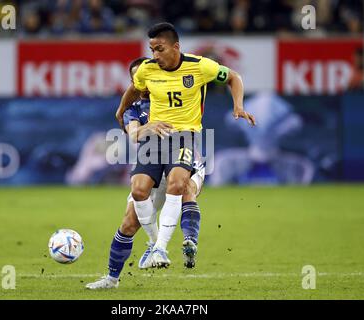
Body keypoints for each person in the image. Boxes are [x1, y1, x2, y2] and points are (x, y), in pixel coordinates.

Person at [115, 22, 255, 269]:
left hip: (186, 136)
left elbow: (234, 77)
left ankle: (166, 247)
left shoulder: (200, 66)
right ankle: (154, 244)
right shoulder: (147, 70)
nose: (155, 56)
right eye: (152, 50)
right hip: (155, 142)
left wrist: (238, 105)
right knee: (138, 192)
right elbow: (133, 89)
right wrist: (121, 109)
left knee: (180, 186)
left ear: (175, 47)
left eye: (159, 49)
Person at [85, 57, 205, 290]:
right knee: (129, 222)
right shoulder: (134, 109)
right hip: (152, 168)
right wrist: (143, 127)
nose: (141, 81)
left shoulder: (174, 93)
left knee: (185, 187)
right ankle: (112, 278)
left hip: (183, 160)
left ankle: (188, 241)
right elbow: (132, 134)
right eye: (134, 78)